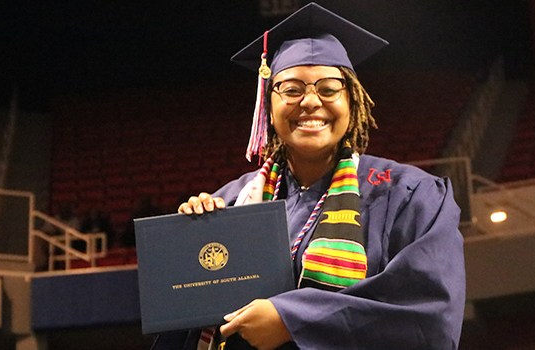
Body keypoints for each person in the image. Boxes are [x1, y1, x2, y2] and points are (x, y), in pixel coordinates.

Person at [163, 3, 465, 350]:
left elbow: (431, 312)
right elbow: (191, 317)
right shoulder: (235, 201)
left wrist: (293, 321)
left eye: (329, 88)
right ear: (268, 109)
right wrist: (192, 239)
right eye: (291, 89)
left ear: (352, 102)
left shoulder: (410, 195)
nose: (309, 101)